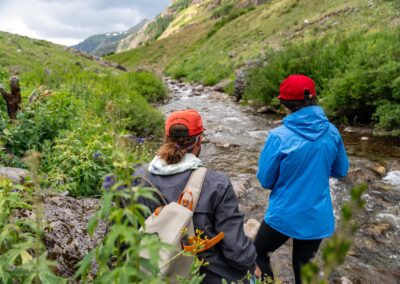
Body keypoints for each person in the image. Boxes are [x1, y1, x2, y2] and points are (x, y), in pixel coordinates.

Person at [133, 109, 258, 283]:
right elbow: (236, 251)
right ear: (199, 140)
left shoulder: (138, 177)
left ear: (166, 138)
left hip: (153, 273)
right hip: (206, 276)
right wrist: (253, 264)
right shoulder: (217, 183)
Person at [255, 75, 349, 284]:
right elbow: (341, 171)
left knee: (258, 254)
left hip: (283, 215)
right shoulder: (332, 132)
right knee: (304, 271)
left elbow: (265, 180)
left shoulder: (279, 136)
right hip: (316, 216)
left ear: (285, 104)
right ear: (314, 98)